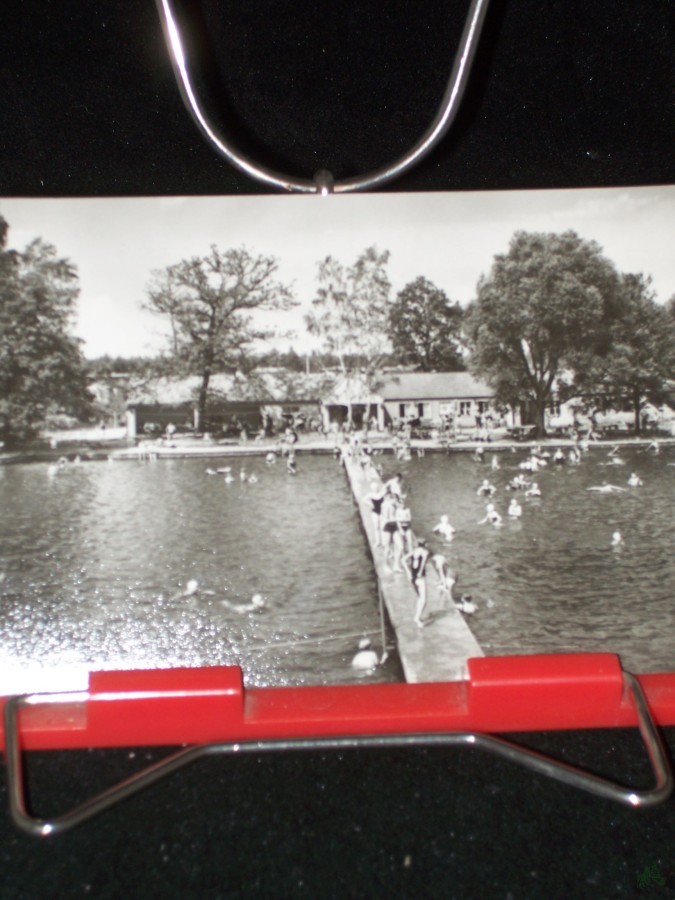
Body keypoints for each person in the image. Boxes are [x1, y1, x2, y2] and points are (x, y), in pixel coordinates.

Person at [403, 540, 431, 628]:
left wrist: (408, 572)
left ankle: (417, 616)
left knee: (420, 598)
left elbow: (403, 560)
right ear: (425, 544)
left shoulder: (414, 551)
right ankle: (417, 618)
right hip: (420, 577)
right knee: (423, 600)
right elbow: (422, 564)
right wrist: (420, 572)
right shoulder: (425, 552)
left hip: (413, 577)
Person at [381, 492, 403, 571]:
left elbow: (400, 506)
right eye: (394, 499)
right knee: (387, 548)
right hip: (387, 526)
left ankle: (396, 565)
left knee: (400, 547)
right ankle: (385, 565)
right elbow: (386, 519)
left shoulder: (393, 505)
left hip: (394, 526)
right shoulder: (386, 506)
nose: (395, 501)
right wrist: (397, 519)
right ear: (390, 499)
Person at [363, 482, 386, 547]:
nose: (375, 489)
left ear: (378, 488)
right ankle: (378, 542)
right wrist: (370, 504)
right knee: (376, 527)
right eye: (374, 488)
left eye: (376, 487)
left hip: (382, 512)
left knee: (382, 527)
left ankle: (383, 542)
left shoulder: (381, 494)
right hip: (374, 512)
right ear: (372, 488)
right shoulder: (371, 495)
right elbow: (364, 500)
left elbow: (386, 496)